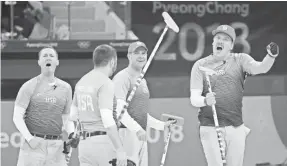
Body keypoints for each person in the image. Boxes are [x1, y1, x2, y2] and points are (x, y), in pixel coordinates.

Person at [189, 24, 279, 166]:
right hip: (210, 126)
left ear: (231, 45)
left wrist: (271, 56)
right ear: (213, 42)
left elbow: (261, 68)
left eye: (225, 39)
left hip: (236, 127)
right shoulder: (200, 65)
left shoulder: (241, 60)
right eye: (218, 38)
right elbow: (194, 99)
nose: (220, 41)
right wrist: (205, 100)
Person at [112, 41, 176, 166]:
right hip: (125, 134)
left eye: (143, 53)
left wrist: (162, 125)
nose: (141, 56)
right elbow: (119, 110)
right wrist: (137, 130)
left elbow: (140, 113)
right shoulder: (122, 78)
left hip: (139, 134)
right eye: (137, 53)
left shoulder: (142, 80)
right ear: (129, 56)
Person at [13, 47, 74, 166]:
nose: (48, 58)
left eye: (51, 56)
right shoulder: (28, 86)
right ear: (39, 62)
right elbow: (17, 117)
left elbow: (67, 118)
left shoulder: (66, 88)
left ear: (57, 62)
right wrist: (30, 139)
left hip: (57, 146)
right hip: (33, 145)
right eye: (45, 55)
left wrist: (71, 135)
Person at [69, 44, 127, 166]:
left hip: (85, 146)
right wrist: (120, 149)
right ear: (112, 61)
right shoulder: (106, 83)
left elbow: (73, 116)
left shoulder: (81, 82)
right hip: (103, 144)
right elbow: (107, 119)